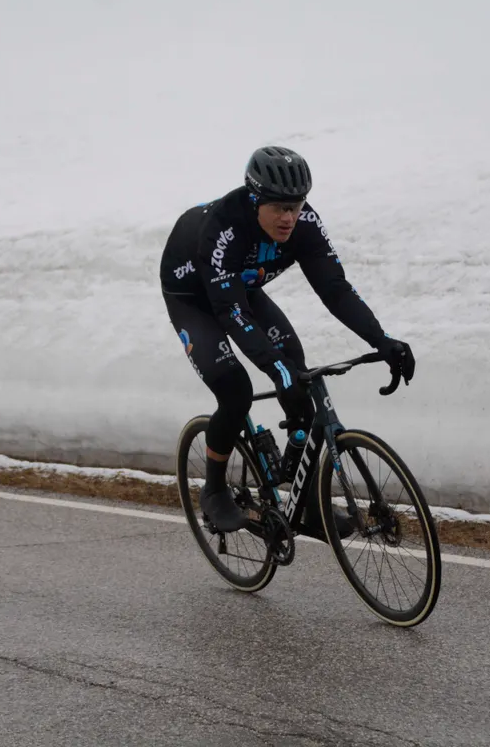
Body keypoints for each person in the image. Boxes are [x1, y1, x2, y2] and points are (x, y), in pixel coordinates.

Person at [159, 146, 416, 535]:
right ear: (255, 200)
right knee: (235, 389)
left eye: (296, 206)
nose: (289, 218)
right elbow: (230, 313)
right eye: (280, 208)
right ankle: (213, 491)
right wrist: (274, 367)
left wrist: (382, 340)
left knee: (298, 371)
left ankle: (308, 505)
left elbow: (335, 289)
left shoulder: (304, 223)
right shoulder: (224, 228)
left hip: (240, 289)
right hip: (193, 299)